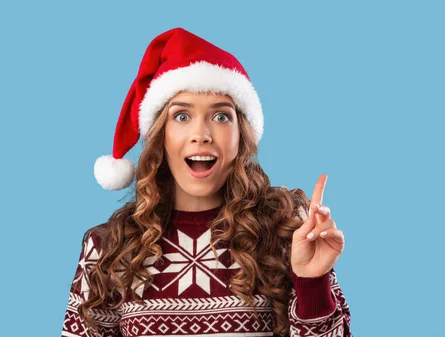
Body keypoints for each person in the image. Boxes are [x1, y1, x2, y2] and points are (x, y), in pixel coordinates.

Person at [61, 27, 352, 337]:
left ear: (242, 136)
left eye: (221, 116)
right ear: (161, 136)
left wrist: (311, 283)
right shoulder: (108, 249)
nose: (202, 134)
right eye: (182, 116)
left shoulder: (288, 232)